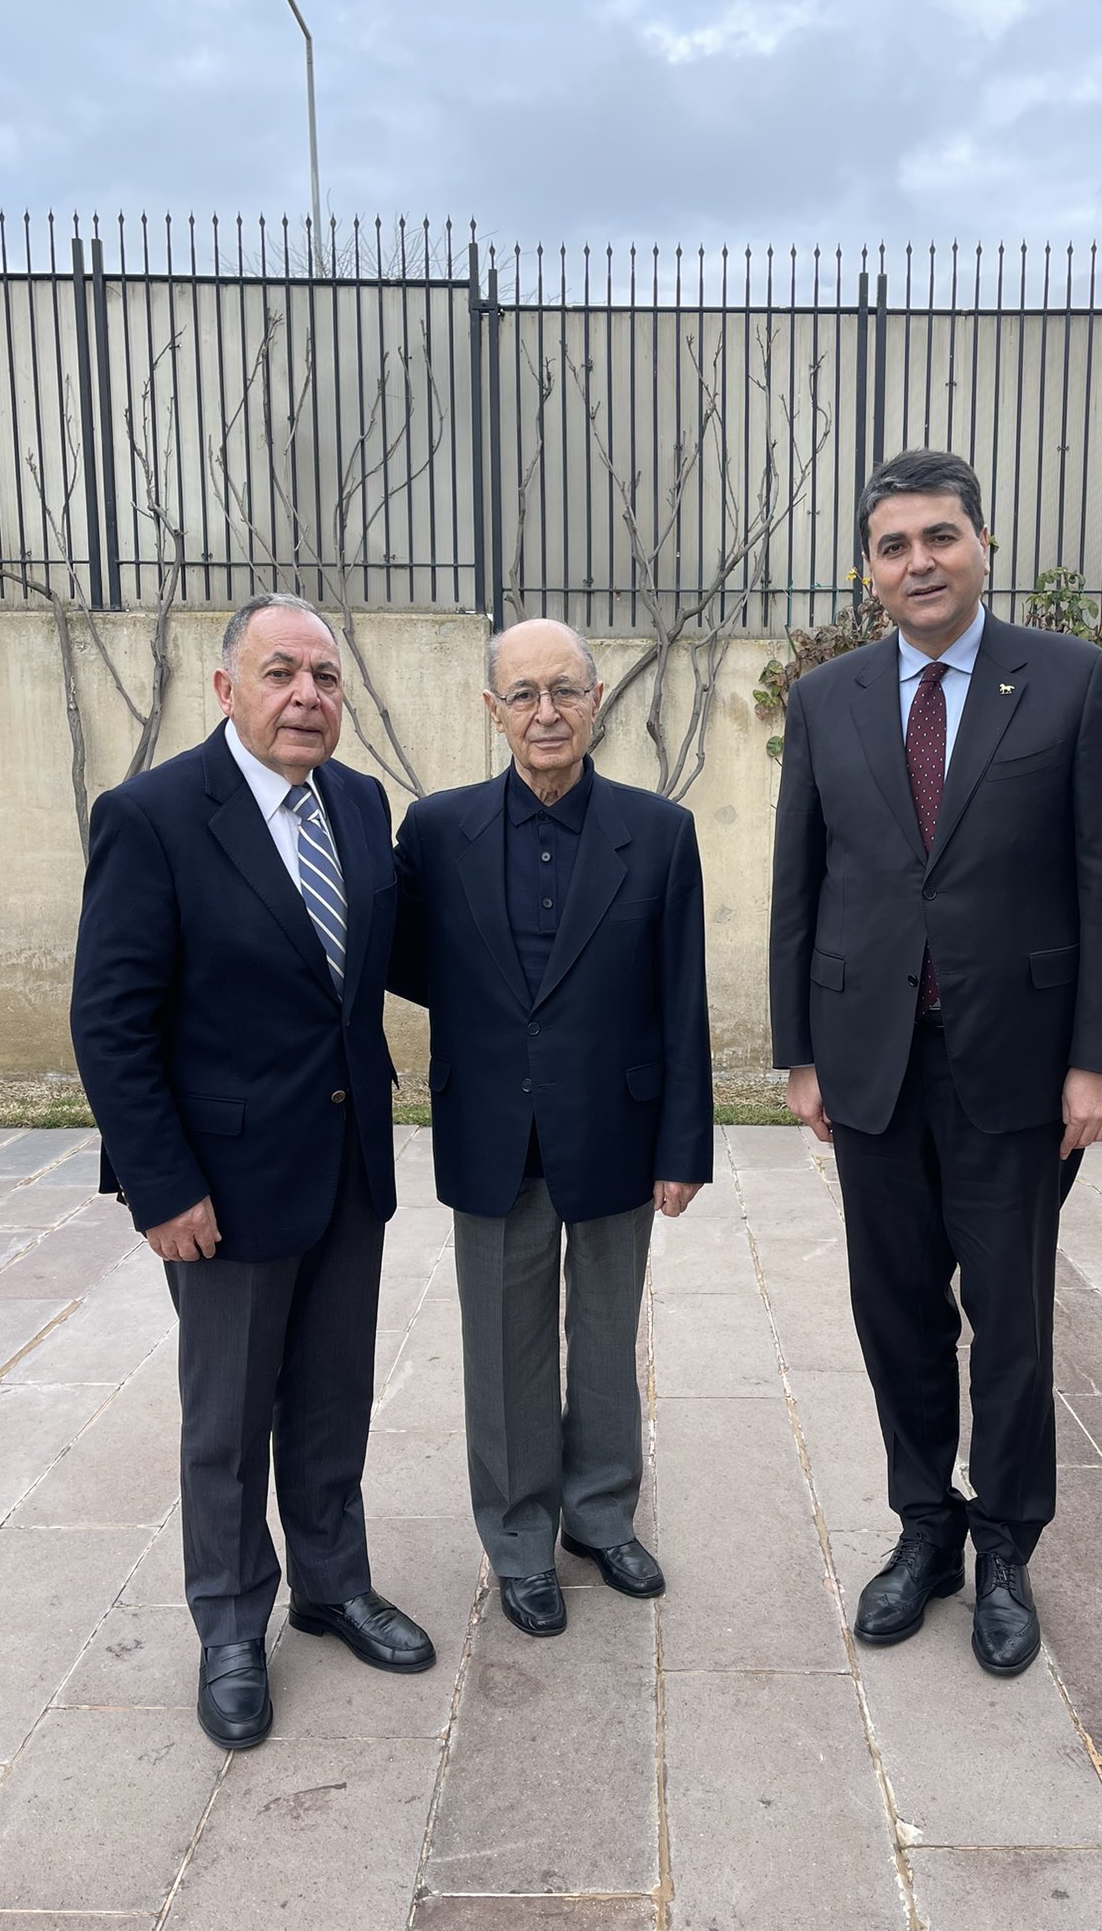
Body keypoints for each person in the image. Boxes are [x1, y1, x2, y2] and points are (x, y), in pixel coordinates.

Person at [769, 449, 1102, 1676]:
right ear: (868, 568)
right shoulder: (827, 700)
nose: (918, 562)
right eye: (893, 545)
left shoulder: (1072, 681)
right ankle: (923, 1528)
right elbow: (800, 885)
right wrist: (799, 1053)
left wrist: (1099, 1059)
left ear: (982, 544)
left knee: (1011, 1319)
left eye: (939, 537)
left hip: (1018, 1069)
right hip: (871, 1060)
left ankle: (1005, 1546)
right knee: (891, 1311)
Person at [70, 591, 433, 1752]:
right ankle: (231, 1623)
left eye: (325, 678)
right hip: (220, 1185)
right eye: (281, 673)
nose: (307, 697)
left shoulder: (361, 803)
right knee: (227, 1417)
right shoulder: (154, 815)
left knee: (333, 1394)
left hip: (345, 1165)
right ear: (226, 688)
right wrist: (161, 1182)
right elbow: (111, 1021)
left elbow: (382, 966)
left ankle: (332, 1583)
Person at [391, 618, 712, 1637]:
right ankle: (521, 1537)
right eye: (522, 693)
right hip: (491, 1126)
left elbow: (681, 996)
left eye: (564, 689)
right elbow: (403, 960)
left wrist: (683, 1144)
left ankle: (601, 1513)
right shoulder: (436, 831)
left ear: (597, 697)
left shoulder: (658, 831)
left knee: (610, 1334)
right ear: (492, 710)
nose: (545, 712)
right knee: (503, 1348)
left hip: (615, 1123)